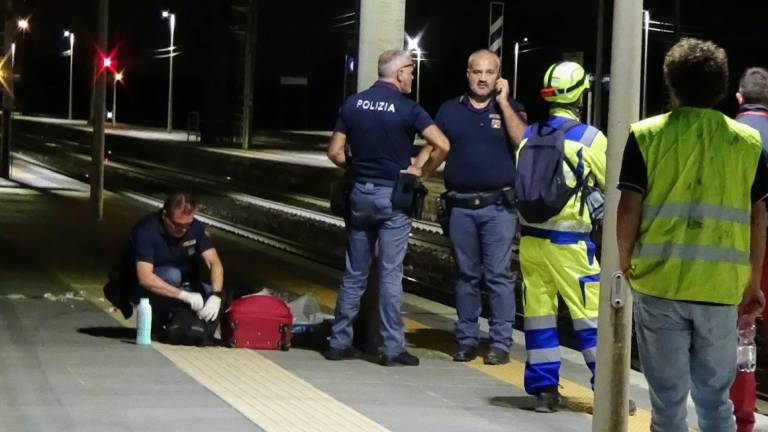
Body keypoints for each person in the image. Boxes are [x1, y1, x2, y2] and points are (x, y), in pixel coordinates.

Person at [617, 39, 768, 432]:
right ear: (720, 88)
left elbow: (629, 208)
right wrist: (753, 282)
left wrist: (624, 258)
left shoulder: (646, 135)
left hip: (659, 284)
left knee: (667, 405)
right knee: (716, 401)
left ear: (671, 83)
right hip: (720, 291)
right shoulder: (747, 143)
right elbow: (758, 216)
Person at [324, 49, 450, 366]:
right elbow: (443, 144)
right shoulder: (409, 109)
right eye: (410, 71)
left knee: (354, 274)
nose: (411, 76)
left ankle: (339, 343)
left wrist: (356, 167)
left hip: (359, 195)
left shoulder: (353, 104)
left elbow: (335, 152)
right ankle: (392, 349)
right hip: (393, 197)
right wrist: (421, 170)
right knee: (390, 275)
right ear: (399, 73)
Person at [517, 61, 607, 412]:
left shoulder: (528, 135)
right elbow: (609, 181)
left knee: (539, 316)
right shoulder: (589, 138)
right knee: (591, 318)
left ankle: (544, 392)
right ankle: (607, 389)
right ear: (581, 96)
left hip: (531, 242)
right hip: (570, 245)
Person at [433, 49, 527, 365]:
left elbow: (522, 141)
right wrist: (416, 171)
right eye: (477, 72)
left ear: (499, 76)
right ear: (468, 73)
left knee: (499, 276)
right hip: (460, 207)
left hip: (498, 207)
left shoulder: (511, 109)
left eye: (490, 72)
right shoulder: (449, 110)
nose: (483, 78)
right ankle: (466, 340)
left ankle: (500, 343)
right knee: (465, 276)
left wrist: (503, 103)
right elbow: (436, 149)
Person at [105, 192, 225, 345]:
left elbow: (215, 263)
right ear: (165, 215)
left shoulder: (194, 228)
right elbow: (145, 277)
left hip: (182, 281)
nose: (182, 230)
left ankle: (194, 328)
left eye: (186, 225)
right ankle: (158, 322)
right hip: (139, 286)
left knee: (211, 289)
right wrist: (184, 296)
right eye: (177, 225)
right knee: (171, 274)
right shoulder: (146, 231)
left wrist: (216, 295)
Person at [730, 67, 768, 432]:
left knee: (743, 334)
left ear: (739, 98)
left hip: (741, 249)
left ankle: (742, 418)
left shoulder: (730, 135)